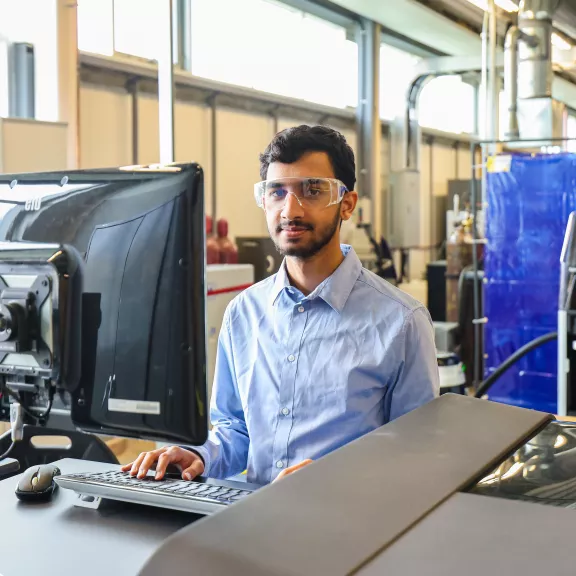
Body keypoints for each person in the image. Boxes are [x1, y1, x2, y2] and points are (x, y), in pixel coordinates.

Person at [122, 125, 439, 485]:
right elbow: (236, 429)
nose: (290, 209)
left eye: (312, 190)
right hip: (252, 522)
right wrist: (199, 454)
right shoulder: (244, 313)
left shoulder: (402, 323)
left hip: (350, 528)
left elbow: (417, 456)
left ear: (347, 203)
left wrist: (339, 478)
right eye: (277, 192)